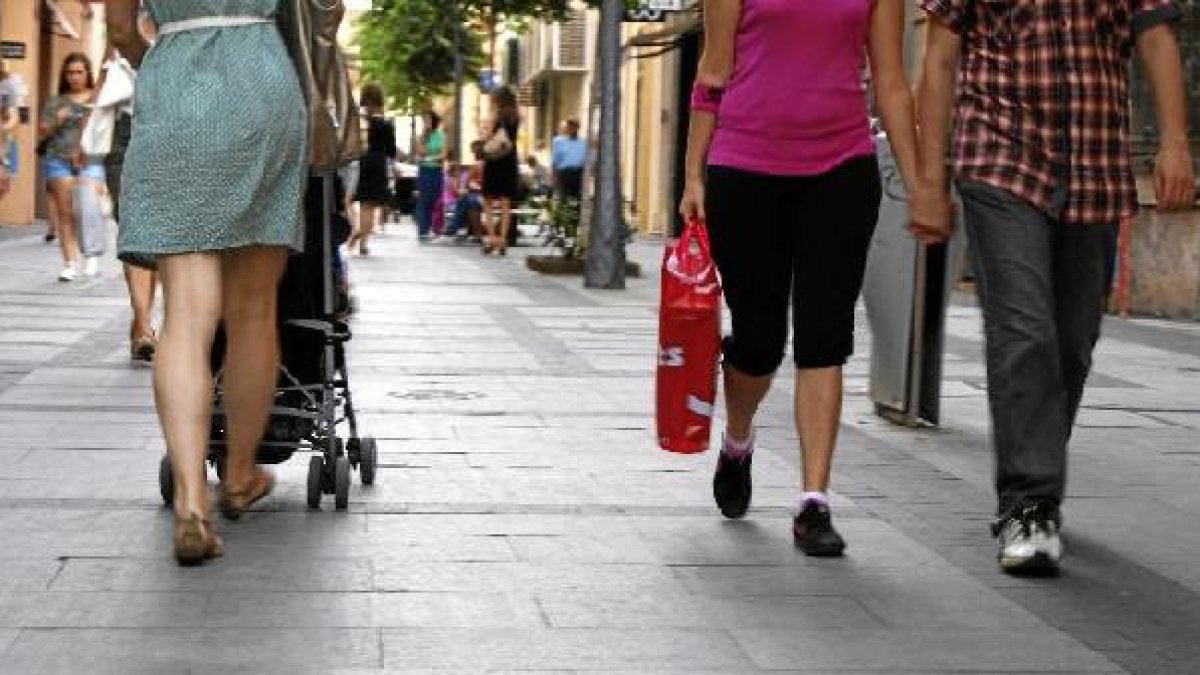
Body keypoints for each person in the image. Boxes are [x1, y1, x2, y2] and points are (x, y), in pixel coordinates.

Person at [914, 0, 1195, 575]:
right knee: (1025, 329)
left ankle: (1036, 473)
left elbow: (1157, 35)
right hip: (999, 157)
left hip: (1093, 166)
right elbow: (940, 58)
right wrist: (929, 178)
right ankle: (1029, 501)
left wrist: (1174, 141)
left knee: (1070, 343)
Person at [678, 0, 929, 556]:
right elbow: (713, 70)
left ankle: (813, 501)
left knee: (825, 337)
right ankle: (737, 441)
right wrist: (693, 175)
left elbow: (891, 82)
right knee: (758, 343)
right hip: (743, 168)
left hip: (840, 169)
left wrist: (920, 183)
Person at [108, 0, 308, 565]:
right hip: (263, 84)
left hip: (175, 87)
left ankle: (192, 500)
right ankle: (240, 476)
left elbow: (121, 28)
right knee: (252, 311)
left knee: (187, 316)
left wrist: (162, 59)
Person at [101, 41, 159, 361]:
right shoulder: (125, 32)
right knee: (134, 227)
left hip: (173, 132)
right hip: (126, 135)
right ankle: (144, 324)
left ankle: (142, 322)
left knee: (159, 235)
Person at [38, 53, 98, 281]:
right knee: (65, 212)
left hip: (88, 160)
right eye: (70, 72)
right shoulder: (57, 101)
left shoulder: (95, 98)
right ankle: (70, 263)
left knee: (86, 209)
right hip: (57, 159)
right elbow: (43, 130)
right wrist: (57, 120)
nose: (74, 77)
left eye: (79, 72)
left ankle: (91, 254)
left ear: (87, 73)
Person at [347, 84, 394, 255]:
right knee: (372, 205)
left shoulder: (360, 121)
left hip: (363, 162)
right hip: (378, 164)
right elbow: (391, 150)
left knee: (366, 204)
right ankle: (359, 236)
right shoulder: (385, 124)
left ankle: (363, 243)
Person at [481, 86, 521, 256]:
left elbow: (489, 136)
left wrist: (484, 136)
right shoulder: (516, 116)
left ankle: (492, 238)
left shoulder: (496, 115)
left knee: (488, 203)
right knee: (506, 204)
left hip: (495, 161)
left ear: (498, 99)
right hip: (510, 160)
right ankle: (503, 240)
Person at [413, 110, 446, 242]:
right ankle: (423, 231)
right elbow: (420, 153)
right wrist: (424, 135)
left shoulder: (441, 135)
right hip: (425, 171)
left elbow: (443, 155)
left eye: (428, 120)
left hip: (437, 172)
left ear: (434, 121)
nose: (426, 123)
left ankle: (433, 228)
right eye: (424, 120)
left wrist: (430, 157)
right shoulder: (421, 136)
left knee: (435, 199)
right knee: (423, 201)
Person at [551, 118, 586, 201]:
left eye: (573, 127)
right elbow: (555, 159)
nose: (571, 129)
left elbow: (587, 158)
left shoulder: (583, 142)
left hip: (578, 173)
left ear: (578, 128)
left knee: (577, 199)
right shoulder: (558, 141)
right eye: (569, 127)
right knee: (563, 199)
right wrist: (554, 176)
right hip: (563, 174)